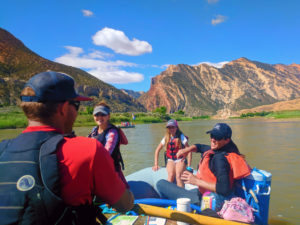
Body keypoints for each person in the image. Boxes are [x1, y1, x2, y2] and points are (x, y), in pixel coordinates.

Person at [0, 71, 134, 225]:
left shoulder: (2, 150)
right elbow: (125, 205)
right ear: (63, 108)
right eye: (76, 105)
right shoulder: (89, 149)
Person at [157, 123, 251, 210]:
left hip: (207, 201)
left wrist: (196, 180)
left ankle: (167, 208)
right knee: (187, 190)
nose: (213, 139)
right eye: (212, 135)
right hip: (206, 193)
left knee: (160, 183)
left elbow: (224, 189)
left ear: (227, 140)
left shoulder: (219, 159)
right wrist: (186, 150)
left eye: (217, 137)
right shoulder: (222, 150)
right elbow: (200, 147)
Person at [88, 102, 129, 187]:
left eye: (103, 114)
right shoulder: (94, 130)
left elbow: (106, 153)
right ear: (93, 116)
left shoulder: (112, 132)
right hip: (97, 169)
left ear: (108, 116)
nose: (99, 117)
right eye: (97, 114)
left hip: (111, 170)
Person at [152, 119, 191, 187]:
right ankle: (168, 194)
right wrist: (156, 164)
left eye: (173, 127)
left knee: (178, 176)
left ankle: (181, 194)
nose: (171, 129)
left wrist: (189, 166)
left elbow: (189, 150)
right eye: (169, 127)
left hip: (180, 159)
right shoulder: (166, 138)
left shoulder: (181, 137)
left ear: (176, 127)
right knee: (171, 175)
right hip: (171, 160)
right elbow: (157, 150)